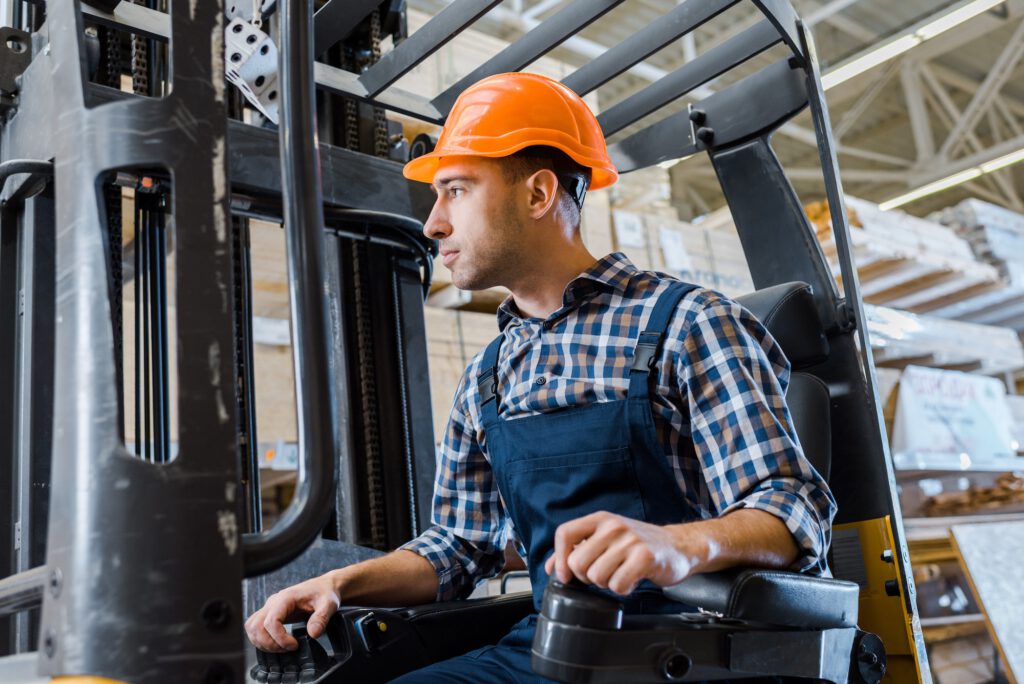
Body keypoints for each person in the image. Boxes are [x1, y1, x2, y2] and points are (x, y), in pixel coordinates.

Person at [245, 72, 837, 682]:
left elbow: (793, 509)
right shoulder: (488, 376)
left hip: (691, 653)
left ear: (538, 194)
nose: (433, 224)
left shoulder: (691, 323)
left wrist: (676, 546)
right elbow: (457, 548)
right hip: (551, 647)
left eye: (456, 190)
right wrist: (340, 583)